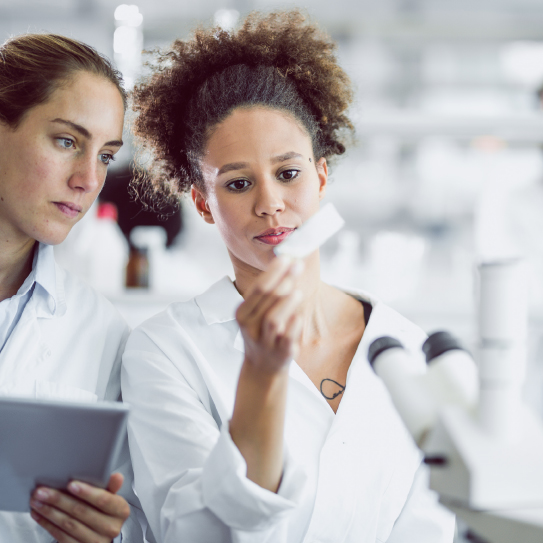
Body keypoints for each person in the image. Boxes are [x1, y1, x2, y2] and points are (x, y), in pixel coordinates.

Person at [122, 10, 456, 543]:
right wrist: (261, 374)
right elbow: (193, 533)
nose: (270, 203)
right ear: (203, 204)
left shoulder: (406, 349)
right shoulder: (165, 351)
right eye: (237, 184)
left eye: (289, 173)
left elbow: (429, 526)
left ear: (321, 177)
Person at [0, 33, 144, 543]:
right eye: (66, 141)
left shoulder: (103, 333)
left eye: (105, 155)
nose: (88, 179)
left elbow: (133, 516)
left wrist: (108, 532)